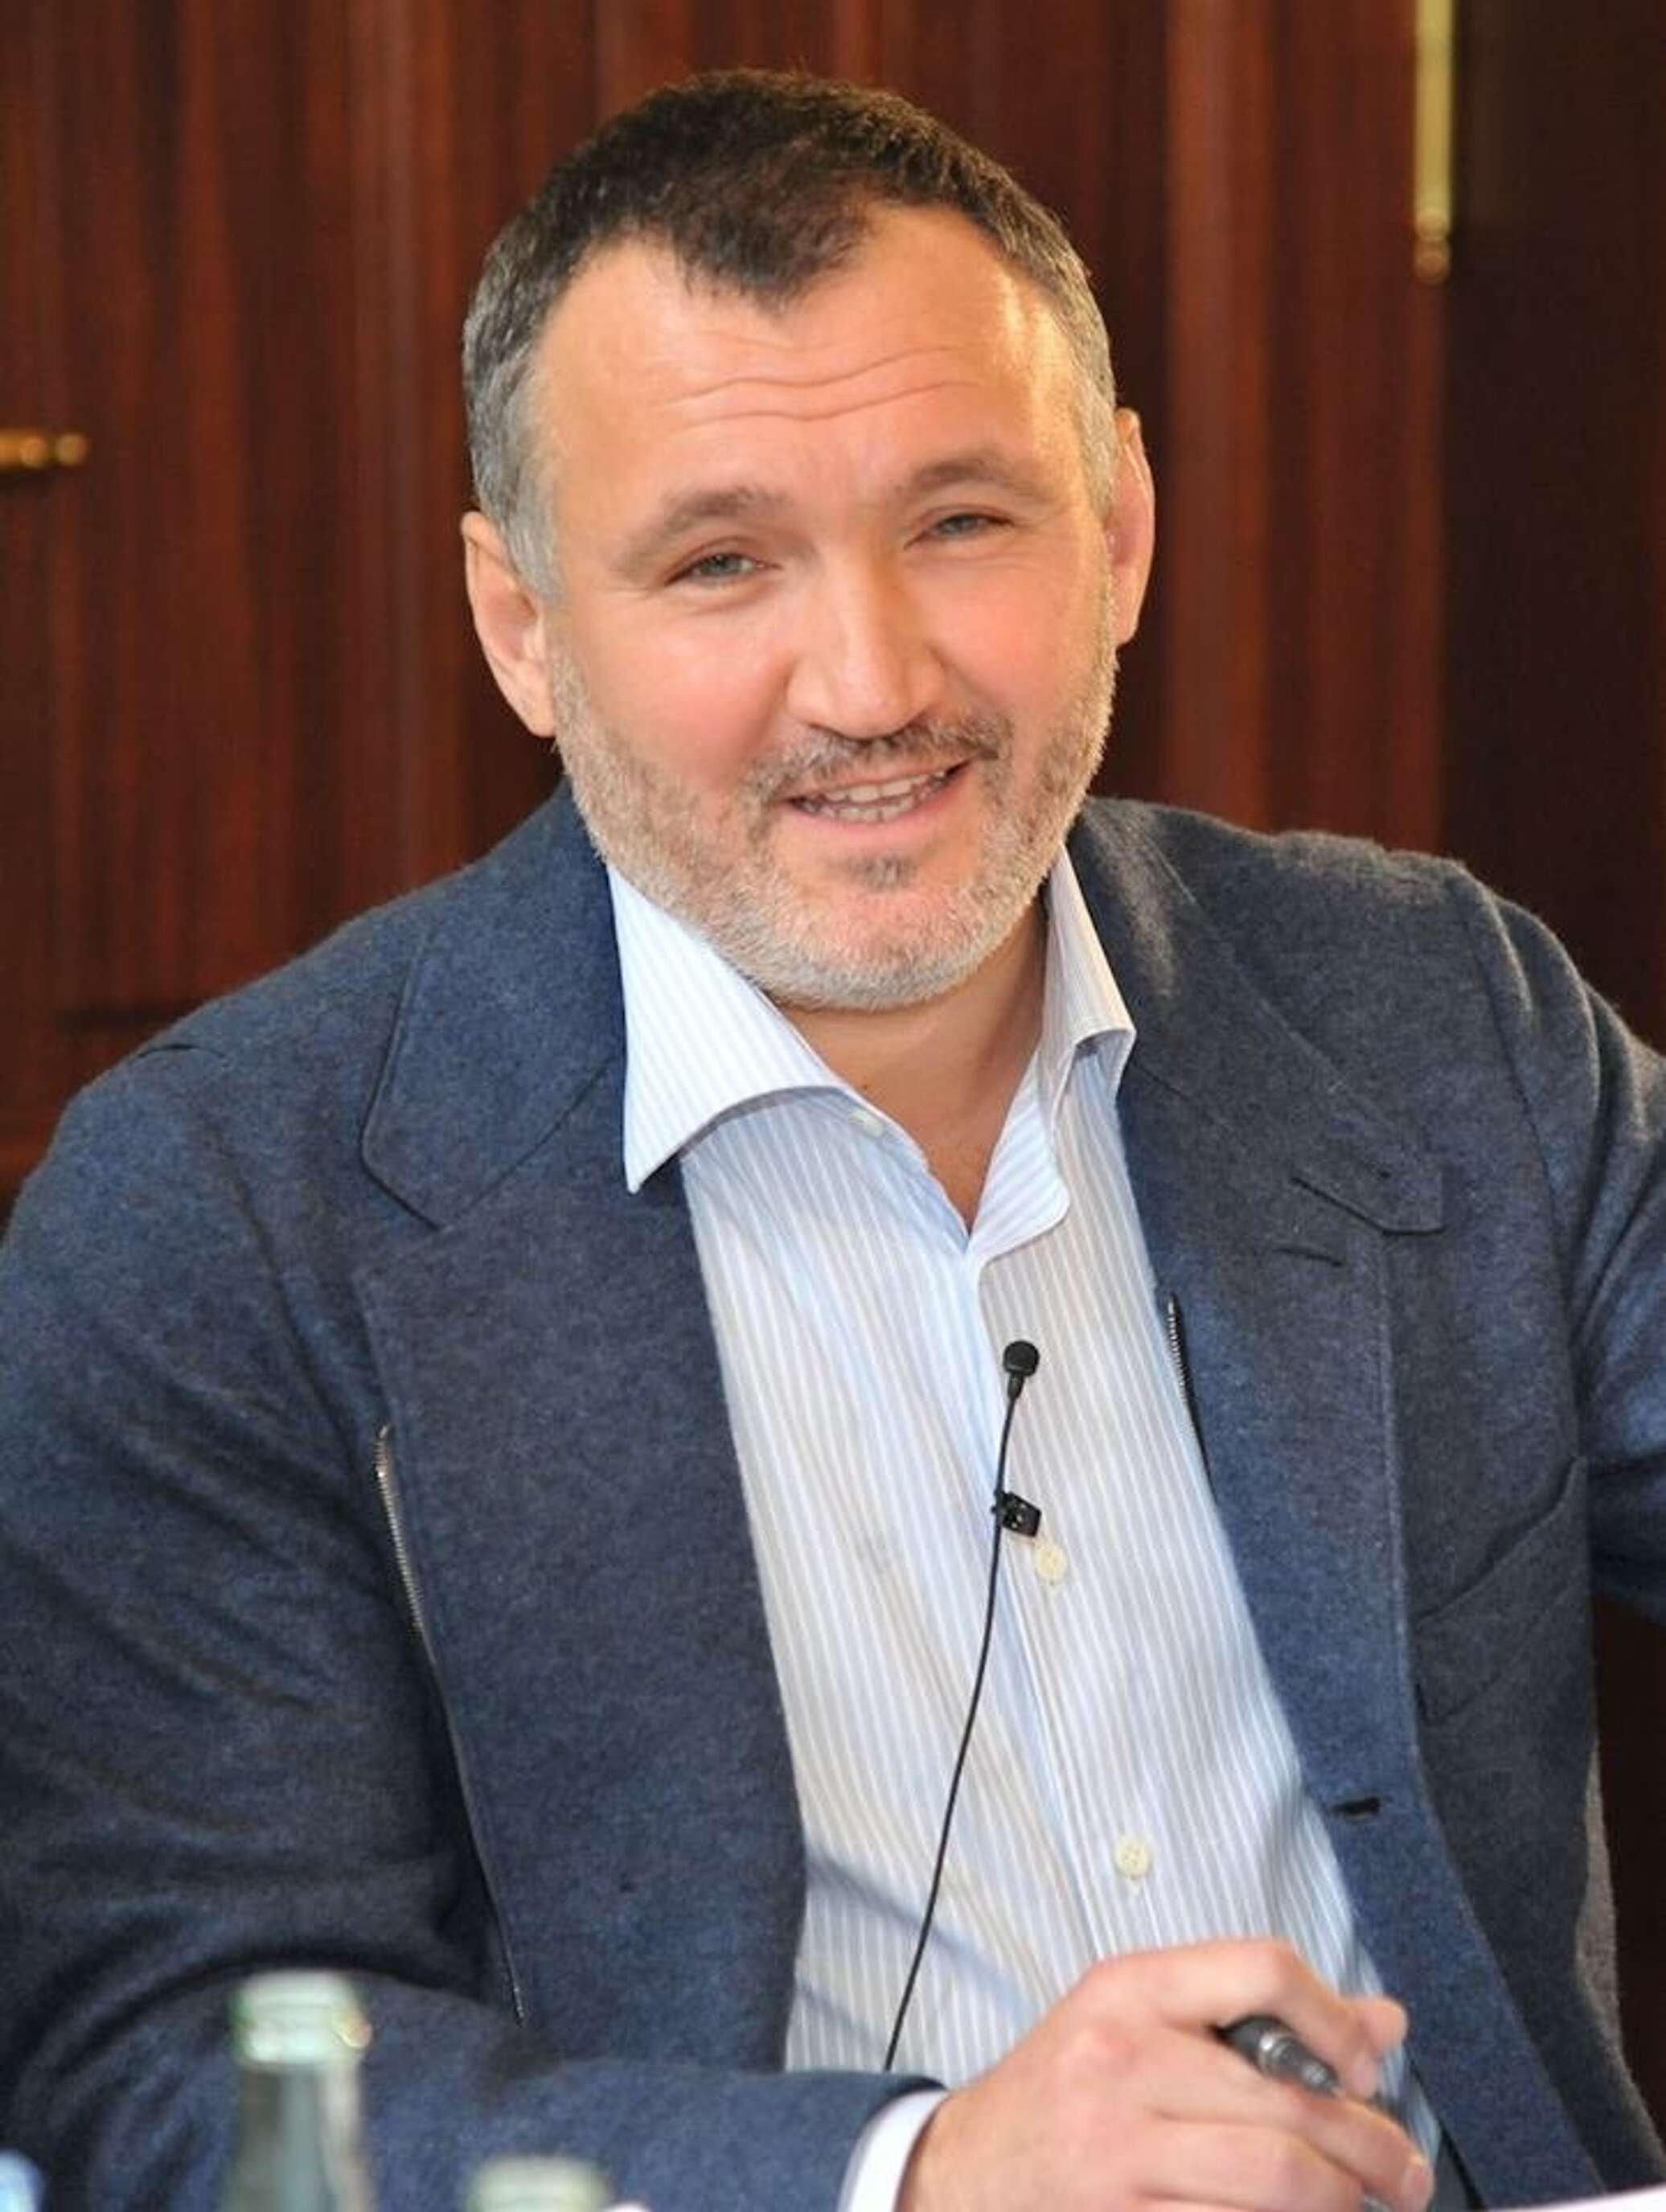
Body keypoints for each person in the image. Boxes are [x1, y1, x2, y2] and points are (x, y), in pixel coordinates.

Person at [1, 68, 1663, 2212]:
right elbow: (187, 2063)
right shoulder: (219, 1214)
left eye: (963, 522)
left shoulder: (1433, 1012)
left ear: (1122, 532)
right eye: (722, 564)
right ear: (523, 629)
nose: (872, 684)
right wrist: (915, 2171)